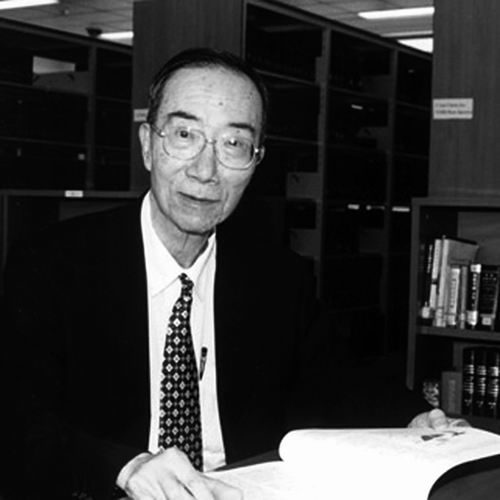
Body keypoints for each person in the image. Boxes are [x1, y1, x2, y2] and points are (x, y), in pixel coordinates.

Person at [4, 48, 448, 500]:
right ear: (148, 146)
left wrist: (415, 418)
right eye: (184, 135)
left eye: (233, 144)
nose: (205, 171)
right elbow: (18, 419)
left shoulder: (278, 278)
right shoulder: (51, 265)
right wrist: (126, 466)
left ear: (256, 161)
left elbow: (340, 379)